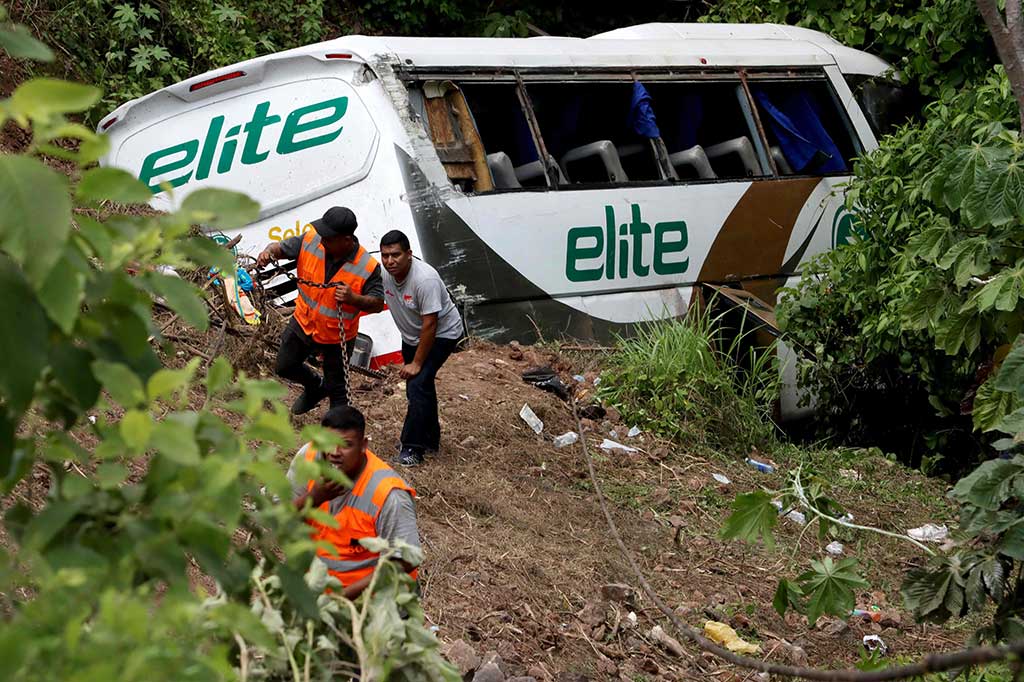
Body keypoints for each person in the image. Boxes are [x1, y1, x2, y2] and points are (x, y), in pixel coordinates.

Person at [256, 207, 384, 414]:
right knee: (284, 366)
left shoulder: (367, 267)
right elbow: (279, 247)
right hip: (303, 322)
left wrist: (354, 298)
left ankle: (338, 438)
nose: (322, 240)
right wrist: (269, 253)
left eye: (329, 237)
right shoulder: (312, 240)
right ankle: (315, 387)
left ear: (346, 239)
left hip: (336, 336)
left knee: (338, 392)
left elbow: (378, 303)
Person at [287, 405, 421, 598]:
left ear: (364, 445)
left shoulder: (389, 495)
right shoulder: (309, 458)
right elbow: (279, 519)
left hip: (369, 603)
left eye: (346, 444)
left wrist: (344, 597)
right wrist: (313, 499)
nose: (334, 452)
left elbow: (407, 559)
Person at [379, 230, 464, 467]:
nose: (390, 261)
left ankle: (412, 448)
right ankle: (430, 439)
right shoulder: (385, 274)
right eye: (385, 256)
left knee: (417, 385)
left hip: (441, 334)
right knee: (422, 386)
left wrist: (416, 363)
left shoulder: (424, 279)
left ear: (409, 254)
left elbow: (431, 324)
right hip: (412, 336)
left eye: (395, 255)